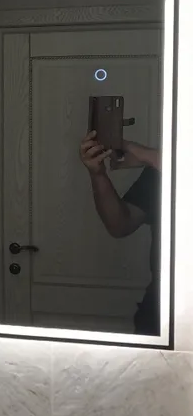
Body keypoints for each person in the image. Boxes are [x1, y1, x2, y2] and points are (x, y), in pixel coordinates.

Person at [79, 133, 161, 335]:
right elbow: (120, 224)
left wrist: (145, 154)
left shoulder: (164, 162)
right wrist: (98, 174)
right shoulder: (161, 169)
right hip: (159, 308)